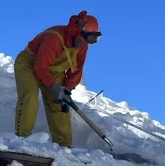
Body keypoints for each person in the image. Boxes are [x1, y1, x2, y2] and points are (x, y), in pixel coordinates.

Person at [14, 10, 101, 147]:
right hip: (29, 65)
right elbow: (40, 67)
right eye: (89, 38)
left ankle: (64, 146)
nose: (88, 43)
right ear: (79, 32)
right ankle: (22, 140)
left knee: (61, 104)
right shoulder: (54, 38)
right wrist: (53, 86)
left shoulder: (82, 46)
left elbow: (76, 70)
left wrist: (67, 89)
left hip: (53, 70)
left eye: (94, 40)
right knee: (30, 95)